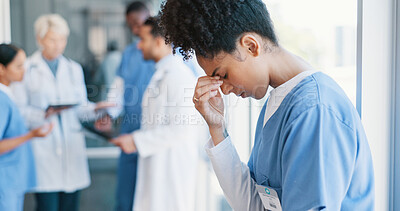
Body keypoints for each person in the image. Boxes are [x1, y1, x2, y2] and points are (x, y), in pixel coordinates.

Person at [160, 0, 375, 210]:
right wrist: (217, 129)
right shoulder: (276, 104)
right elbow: (255, 204)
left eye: (223, 75)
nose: (223, 89)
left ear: (251, 46)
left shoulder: (315, 110)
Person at [11, 14, 113, 211]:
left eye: (62, 39)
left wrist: (95, 110)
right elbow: (19, 111)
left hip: (71, 150)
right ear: (40, 39)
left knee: (71, 206)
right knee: (47, 206)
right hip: (44, 150)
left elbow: (80, 108)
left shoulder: (73, 69)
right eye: (52, 39)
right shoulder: (28, 69)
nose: (58, 45)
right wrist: (43, 115)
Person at [110, 16, 204, 211]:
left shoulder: (178, 76)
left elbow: (182, 129)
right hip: (160, 166)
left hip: (172, 169)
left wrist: (136, 141)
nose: (138, 46)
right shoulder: (162, 73)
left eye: (143, 40)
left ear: (159, 42)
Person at [94, 2, 155, 210]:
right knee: (125, 194)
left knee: (152, 194)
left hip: (154, 131)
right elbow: (118, 90)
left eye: (138, 24)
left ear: (150, 16)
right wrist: (109, 114)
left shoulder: (169, 52)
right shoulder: (129, 53)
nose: (136, 30)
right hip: (130, 129)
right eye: (131, 26)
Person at [0, 43, 53, 211]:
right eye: (18, 66)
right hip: (5, 181)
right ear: (1, 69)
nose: (24, 70)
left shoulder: (8, 96)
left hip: (12, 181)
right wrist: (31, 135)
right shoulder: (1, 100)